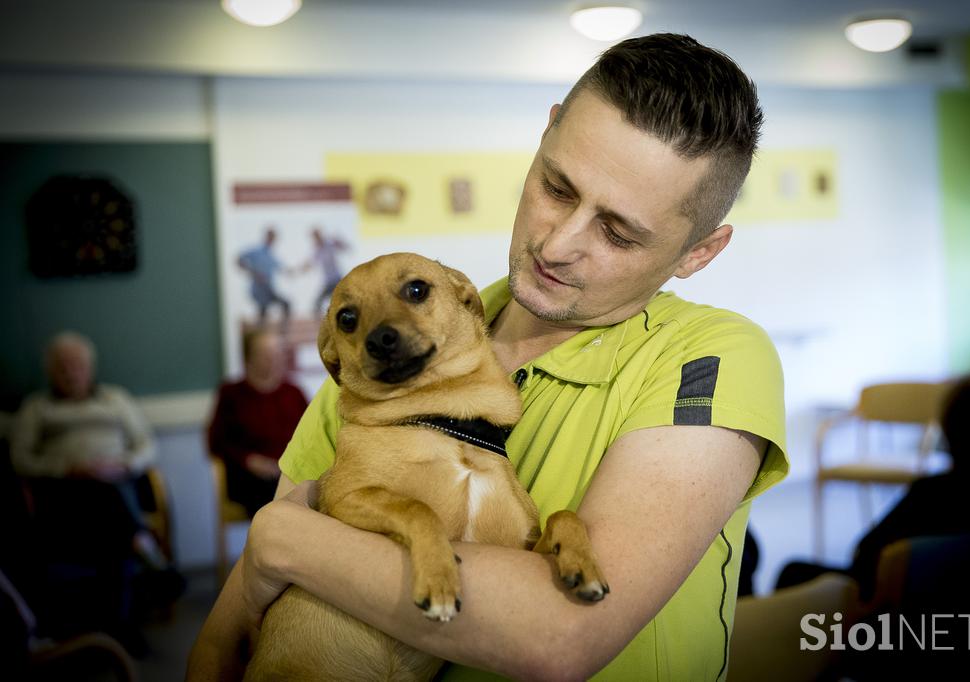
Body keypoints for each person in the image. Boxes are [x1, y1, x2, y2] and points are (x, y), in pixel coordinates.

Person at [189, 33, 787, 681]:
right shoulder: (378, 373)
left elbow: (560, 637)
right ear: (546, 131)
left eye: (617, 231)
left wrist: (285, 542)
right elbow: (227, 641)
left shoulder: (714, 355)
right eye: (557, 188)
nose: (557, 245)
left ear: (698, 253)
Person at [776, 373, 970, 598]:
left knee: (793, 573)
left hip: (888, 617)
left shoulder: (932, 495)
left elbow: (867, 555)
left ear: (950, 430)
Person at [9, 331, 182, 652]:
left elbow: (147, 444)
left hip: (117, 485)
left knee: (107, 500)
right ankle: (143, 555)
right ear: (50, 371)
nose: (71, 372)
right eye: (63, 366)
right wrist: (66, 469)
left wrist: (124, 465)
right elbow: (20, 459)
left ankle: (115, 623)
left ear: (90, 368)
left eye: (77, 365)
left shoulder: (115, 400)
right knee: (103, 501)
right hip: (63, 495)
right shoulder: (37, 408)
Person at [207, 329, 309, 518]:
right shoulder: (231, 394)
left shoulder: (294, 393)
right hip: (248, 476)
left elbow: (312, 437)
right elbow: (216, 442)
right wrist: (249, 460)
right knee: (275, 493)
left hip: (289, 472)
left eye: (277, 354)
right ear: (248, 358)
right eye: (265, 355)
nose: (273, 360)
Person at [238, 227, 291, 329]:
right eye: (271, 237)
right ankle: (260, 329)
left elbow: (283, 269)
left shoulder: (271, 255)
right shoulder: (256, 251)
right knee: (264, 310)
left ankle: (283, 329)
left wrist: (293, 272)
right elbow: (239, 259)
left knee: (285, 304)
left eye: (274, 238)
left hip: (268, 288)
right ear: (266, 237)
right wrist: (253, 273)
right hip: (259, 288)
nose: (272, 240)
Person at [302, 227, 350, 317]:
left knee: (345, 302)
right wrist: (299, 271)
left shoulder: (330, 244)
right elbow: (309, 263)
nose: (316, 238)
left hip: (337, 280)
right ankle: (322, 326)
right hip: (327, 283)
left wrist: (340, 241)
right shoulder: (317, 251)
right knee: (317, 304)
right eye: (314, 237)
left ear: (320, 235)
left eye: (317, 236)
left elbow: (346, 248)